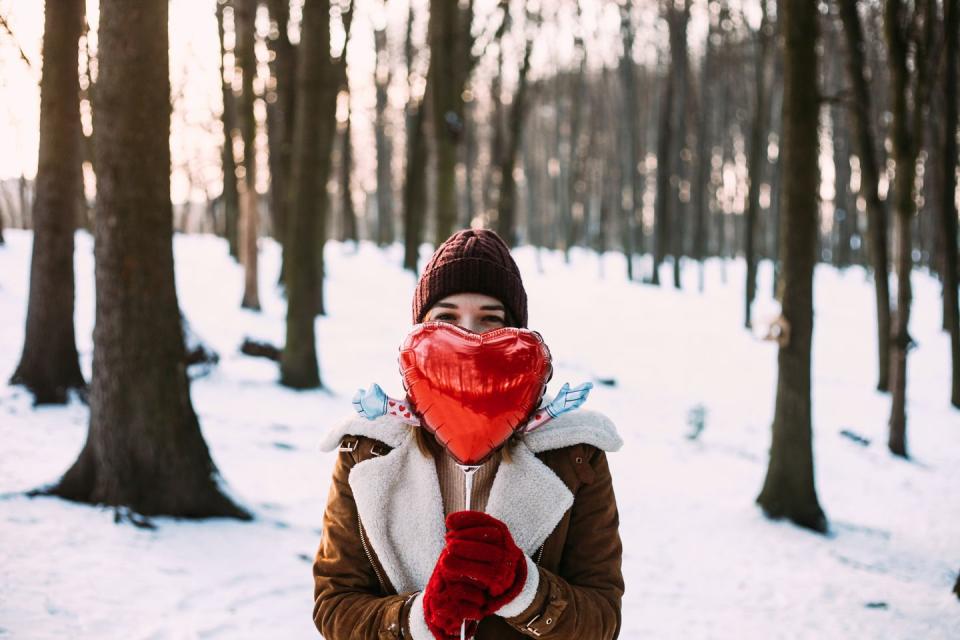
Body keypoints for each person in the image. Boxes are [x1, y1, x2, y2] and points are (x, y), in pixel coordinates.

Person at [313, 229, 624, 639]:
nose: (469, 337)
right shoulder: (367, 450)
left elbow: (602, 616)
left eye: (490, 319)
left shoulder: (575, 455)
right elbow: (335, 603)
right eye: (446, 317)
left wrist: (525, 591)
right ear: (419, 328)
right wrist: (416, 619)